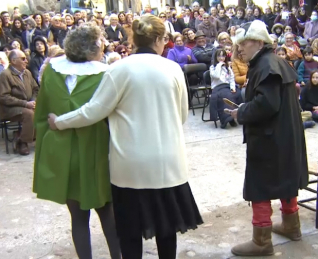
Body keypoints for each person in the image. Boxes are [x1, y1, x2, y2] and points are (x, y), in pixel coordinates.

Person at [47, 14, 203, 258]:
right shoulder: (173, 69)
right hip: (168, 162)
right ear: (160, 39)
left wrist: (60, 122)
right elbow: (182, 115)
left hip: (130, 166)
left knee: (129, 232)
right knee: (166, 229)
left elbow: (94, 111)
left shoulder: (118, 69)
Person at [33, 23, 121, 259]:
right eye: (100, 42)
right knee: (108, 213)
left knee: (78, 219)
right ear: (93, 48)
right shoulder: (105, 73)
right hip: (97, 152)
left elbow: (42, 114)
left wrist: (44, 152)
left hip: (63, 153)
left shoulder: (51, 71)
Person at [228, 20, 308, 257]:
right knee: (285, 178)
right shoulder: (274, 62)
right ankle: (291, 226)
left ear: (259, 42)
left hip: (269, 139)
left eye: (244, 43)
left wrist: (240, 112)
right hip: (284, 135)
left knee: (259, 186)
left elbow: (267, 104)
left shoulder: (265, 65)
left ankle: (261, 240)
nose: (239, 48)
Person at [0, 50, 38, 155]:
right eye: (23, 58)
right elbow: (3, 97)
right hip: (10, 108)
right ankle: (22, 142)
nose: (26, 61)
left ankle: (21, 135)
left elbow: (36, 89)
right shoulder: (5, 75)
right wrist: (25, 103)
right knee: (29, 114)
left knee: (41, 110)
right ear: (13, 61)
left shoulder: (27, 73)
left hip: (28, 105)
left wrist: (34, 101)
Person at [209, 48, 242, 128]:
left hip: (227, 86)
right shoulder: (213, 67)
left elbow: (231, 78)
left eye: (223, 56)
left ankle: (234, 116)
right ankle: (226, 119)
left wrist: (232, 87)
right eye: (219, 56)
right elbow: (216, 76)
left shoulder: (228, 67)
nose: (221, 58)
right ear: (216, 57)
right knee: (224, 96)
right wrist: (219, 65)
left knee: (236, 93)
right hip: (217, 88)